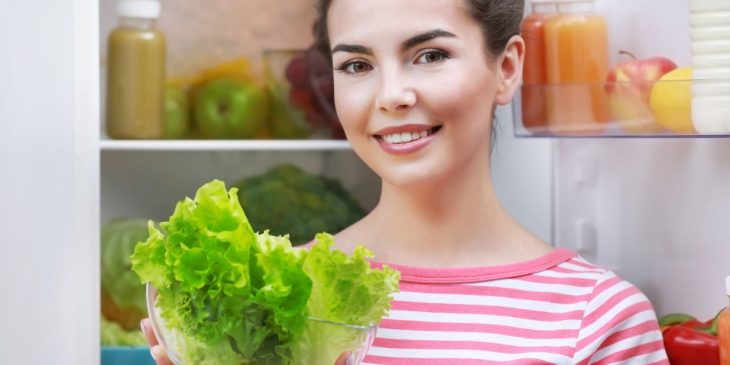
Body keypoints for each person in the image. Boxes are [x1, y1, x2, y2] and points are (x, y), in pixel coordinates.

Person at [142, 0, 670, 363]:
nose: (391, 94)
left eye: (430, 55)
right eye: (356, 65)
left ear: (507, 68)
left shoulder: (597, 316)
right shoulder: (276, 295)